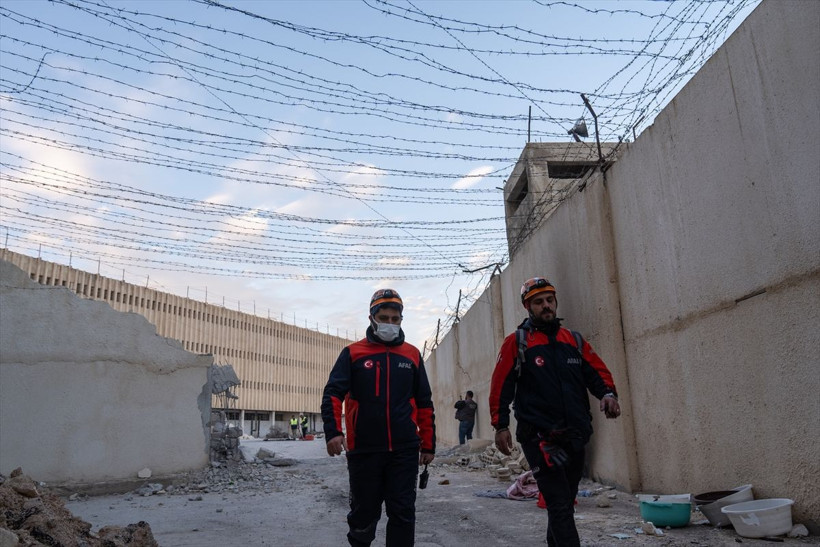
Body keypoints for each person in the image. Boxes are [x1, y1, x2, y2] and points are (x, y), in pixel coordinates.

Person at [489, 277, 621, 547]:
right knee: (559, 503)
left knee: (563, 504)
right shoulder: (517, 342)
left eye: (549, 300)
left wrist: (608, 394)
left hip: (575, 435)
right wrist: (500, 425)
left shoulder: (573, 340)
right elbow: (500, 386)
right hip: (539, 439)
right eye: (538, 302)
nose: (546, 306)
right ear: (528, 306)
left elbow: (596, 373)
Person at [322, 288, 436, 547]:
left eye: (395, 319)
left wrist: (428, 444)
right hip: (364, 450)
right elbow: (332, 394)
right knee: (363, 516)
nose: (390, 324)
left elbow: (424, 403)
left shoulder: (412, 355)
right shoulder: (353, 353)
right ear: (372, 318)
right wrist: (333, 432)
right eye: (384, 318)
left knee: (403, 514)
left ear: (401, 320)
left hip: (404, 450)